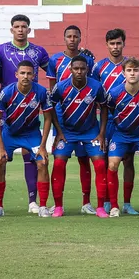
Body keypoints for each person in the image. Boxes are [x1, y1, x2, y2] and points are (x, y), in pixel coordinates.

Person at [0, 14, 51, 214]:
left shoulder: (38, 51)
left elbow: (54, 69)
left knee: (34, 159)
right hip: (9, 114)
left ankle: (35, 202)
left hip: (31, 116)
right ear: (11, 29)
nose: (21, 29)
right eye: (17, 26)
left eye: (24, 26)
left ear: (29, 29)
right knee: (0, 159)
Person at [0, 60, 54, 218]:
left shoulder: (41, 92)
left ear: (34, 75)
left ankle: (43, 206)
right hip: (10, 133)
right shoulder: (7, 92)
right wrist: (0, 147)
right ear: (16, 75)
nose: (25, 76)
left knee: (42, 162)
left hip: (31, 134)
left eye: (29, 73)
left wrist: (43, 146)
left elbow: (47, 119)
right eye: (22, 73)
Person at [49, 55, 108, 218]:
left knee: (100, 164)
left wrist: (101, 133)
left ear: (87, 70)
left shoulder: (96, 87)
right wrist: (58, 131)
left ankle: (100, 207)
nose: (79, 72)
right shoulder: (60, 87)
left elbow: (104, 109)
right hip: (67, 132)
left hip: (90, 132)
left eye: (82, 68)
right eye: (76, 69)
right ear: (70, 70)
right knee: (59, 163)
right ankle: (59, 206)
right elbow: (50, 108)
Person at [47, 24, 97, 214]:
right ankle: (57, 204)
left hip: (84, 116)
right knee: (60, 160)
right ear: (64, 38)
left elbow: (92, 84)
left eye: (76, 36)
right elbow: (53, 91)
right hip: (62, 117)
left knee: (85, 160)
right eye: (69, 36)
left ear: (80, 38)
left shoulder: (88, 60)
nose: (72, 39)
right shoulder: (55, 60)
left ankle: (86, 202)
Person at [104, 57, 139, 217]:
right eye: (129, 70)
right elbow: (108, 110)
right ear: (123, 73)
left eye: (136, 70)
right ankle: (115, 206)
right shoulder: (114, 93)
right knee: (113, 164)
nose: (132, 73)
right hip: (121, 134)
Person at [92, 28, 137, 215]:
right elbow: (93, 91)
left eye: (119, 43)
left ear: (123, 44)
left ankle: (126, 203)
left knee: (128, 161)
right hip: (106, 121)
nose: (115, 47)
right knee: (105, 161)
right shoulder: (99, 67)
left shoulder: (131, 66)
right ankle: (108, 202)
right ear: (107, 45)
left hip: (129, 121)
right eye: (112, 43)